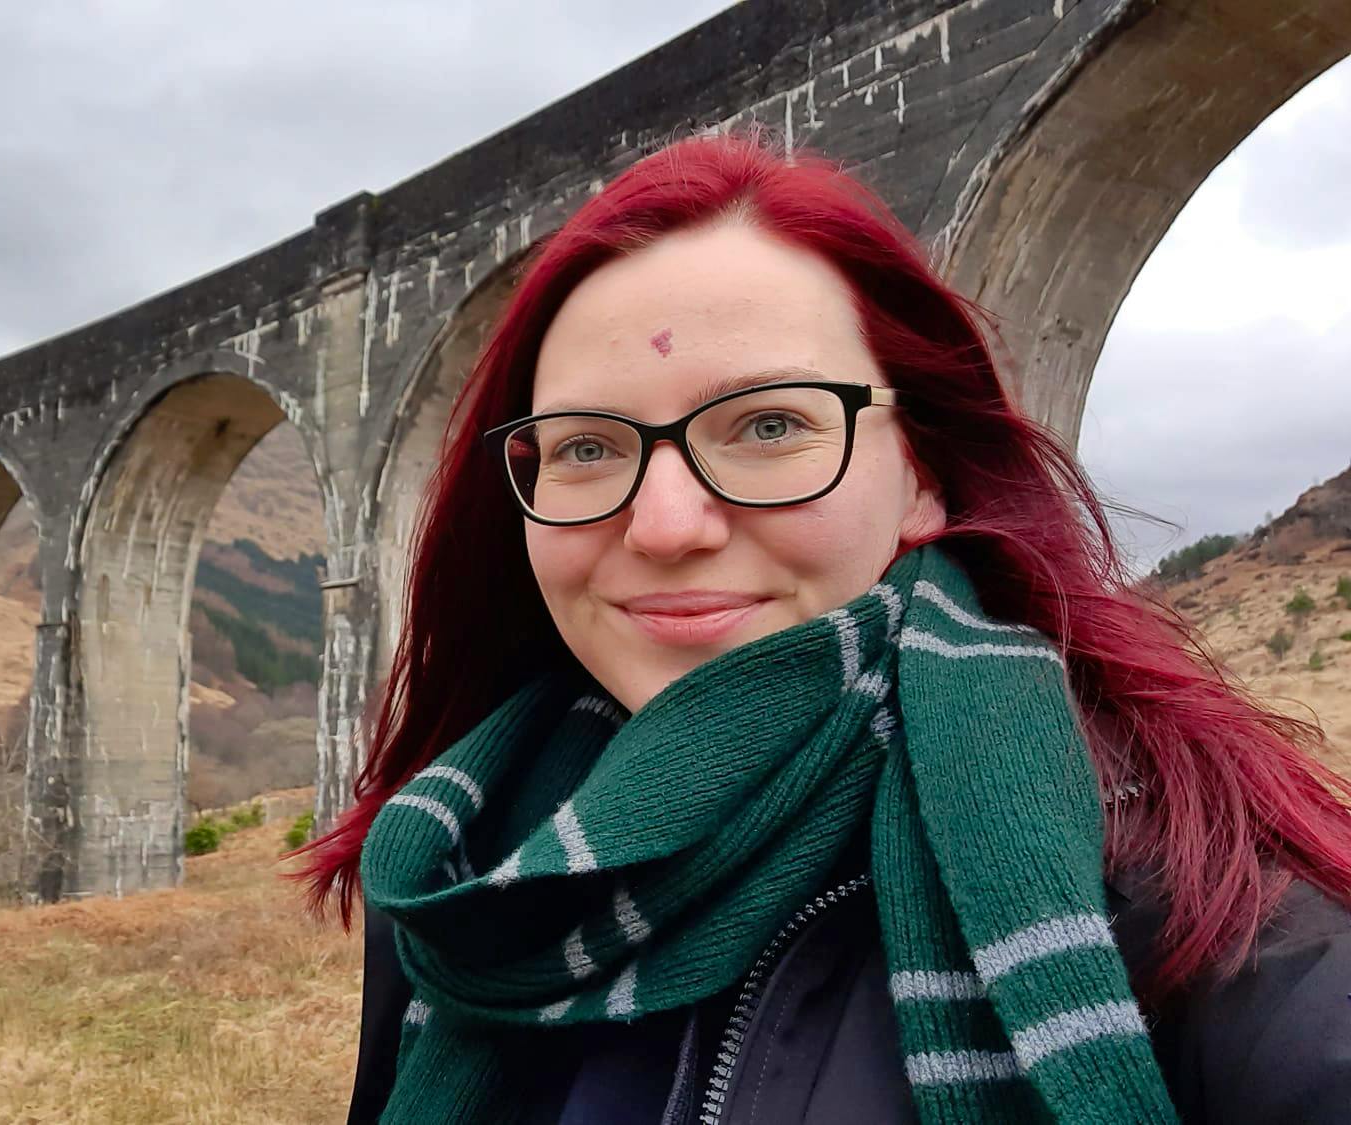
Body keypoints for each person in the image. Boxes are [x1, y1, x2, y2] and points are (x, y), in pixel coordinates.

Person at [295, 130, 1351, 1124]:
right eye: (583, 447)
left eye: (768, 426)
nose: (663, 526)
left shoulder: (1198, 913)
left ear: (921, 477)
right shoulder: (461, 873)